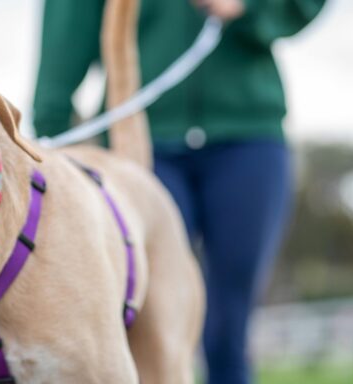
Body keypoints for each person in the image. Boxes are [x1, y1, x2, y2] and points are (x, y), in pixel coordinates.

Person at [32, 0, 326, 383]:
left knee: (228, 328)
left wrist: (248, 8)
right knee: (142, 319)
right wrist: (52, 131)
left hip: (247, 137)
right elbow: (70, 19)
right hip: (139, 140)